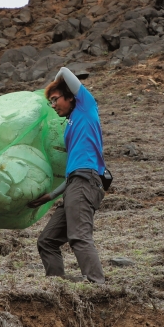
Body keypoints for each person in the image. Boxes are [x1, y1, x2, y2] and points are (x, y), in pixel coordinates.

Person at [27, 67, 107, 284]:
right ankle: (57, 286)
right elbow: (73, 172)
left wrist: (55, 84)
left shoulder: (86, 107)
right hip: (74, 184)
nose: (53, 106)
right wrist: (51, 195)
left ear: (71, 97)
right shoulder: (70, 125)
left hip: (85, 182)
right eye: (50, 102)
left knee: (79, 236)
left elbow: (64, 71)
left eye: (55, 100)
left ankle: (97, 286)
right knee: (47, 240)